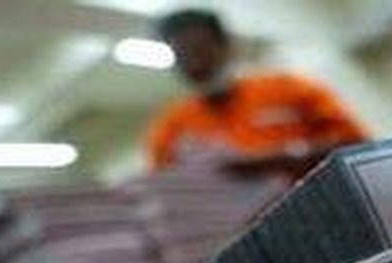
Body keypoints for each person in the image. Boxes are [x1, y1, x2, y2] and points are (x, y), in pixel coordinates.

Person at [147, 9, 369, 180]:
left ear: (228, 47)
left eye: (200, 50)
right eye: (182, 55)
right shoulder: (171, 128)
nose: (194, 65)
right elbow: (165, 191)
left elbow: (356, 142)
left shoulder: (290, 88)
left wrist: (282, 158)